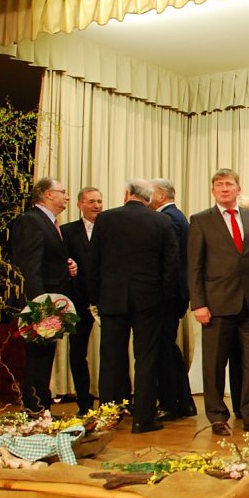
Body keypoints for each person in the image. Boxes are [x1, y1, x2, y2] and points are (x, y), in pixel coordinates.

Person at [188, 169, 249, 436]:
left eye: (229, 184)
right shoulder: (201, 220)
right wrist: (198, 304)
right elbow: (194, 267)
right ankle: (217, 416)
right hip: (216, 305)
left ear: (238, 189)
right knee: (214, 364)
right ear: (213, 191)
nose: (224, 189)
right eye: (219, 185)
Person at [88, 179, 178, 433]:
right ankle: (143, 418)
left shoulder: (105, 219)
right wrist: (163, 297)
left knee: (111, 358)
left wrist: (94, 297)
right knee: (146, 358)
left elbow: (93, 260)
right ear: (149, 199)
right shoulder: (161, 221)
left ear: (126, 194)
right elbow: (170, 265)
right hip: (149, 300)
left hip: (112, 298)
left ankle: (108, 415)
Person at [10, 177, 78, 414]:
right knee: (38, 357)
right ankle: (36, 408)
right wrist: (40, 308)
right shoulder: (31, 221)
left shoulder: (50, 223)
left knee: (45, 356)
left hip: (52, 300)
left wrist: (68, 266)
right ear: (48, 194)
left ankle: (42, 407)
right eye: (63, 192)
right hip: (41, 304)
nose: (67, 197)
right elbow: (30, 267)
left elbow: (48, 260)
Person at [148, 178, 197, 421]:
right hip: (175, 294)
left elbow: (171, 261)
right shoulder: (177, 216)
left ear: (161, 196)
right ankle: (184, 402)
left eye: (150, 193)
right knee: (168, 347)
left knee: (164, 349)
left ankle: (170, 402)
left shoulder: (168, 219)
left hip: (168, 295)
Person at [60, 186, 102, 416]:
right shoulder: (66, 231)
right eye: (91, 201)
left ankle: (114, 401)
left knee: (113, 352)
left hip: (105, 300)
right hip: (78, 301)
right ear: (80, 205)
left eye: (99, 201)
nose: (96, 205)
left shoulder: (109, 229)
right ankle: (84, 403)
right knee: (78, 353)